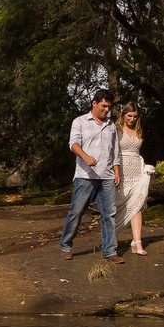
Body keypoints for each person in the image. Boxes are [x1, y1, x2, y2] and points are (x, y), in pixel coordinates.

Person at [59, 89, 122, 263]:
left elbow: (115, 151)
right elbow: (73, 144)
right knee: (77, 211)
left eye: (109, 107)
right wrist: (85, 156)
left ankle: (110, 251)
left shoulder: (111, 125)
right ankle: (66, 245)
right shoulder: (80, 122)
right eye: (103, 106)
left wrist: (117, 171)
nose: (106, 110)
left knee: (109, 214)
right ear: (94, 103)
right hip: (85, 175)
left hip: (107, 176)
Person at [114, 102, 151, 255]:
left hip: (137, 171)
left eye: (135, 116)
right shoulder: (116, 130)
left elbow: (137, 152)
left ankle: (137, 241)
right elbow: (112, 152)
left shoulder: (138, 130)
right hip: (121, 170)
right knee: (117, 205)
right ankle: (111, 240)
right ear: (123, 115)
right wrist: (115, 171)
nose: (132, 119)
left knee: (137, 204)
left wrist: (145, 166)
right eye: (129, 116)